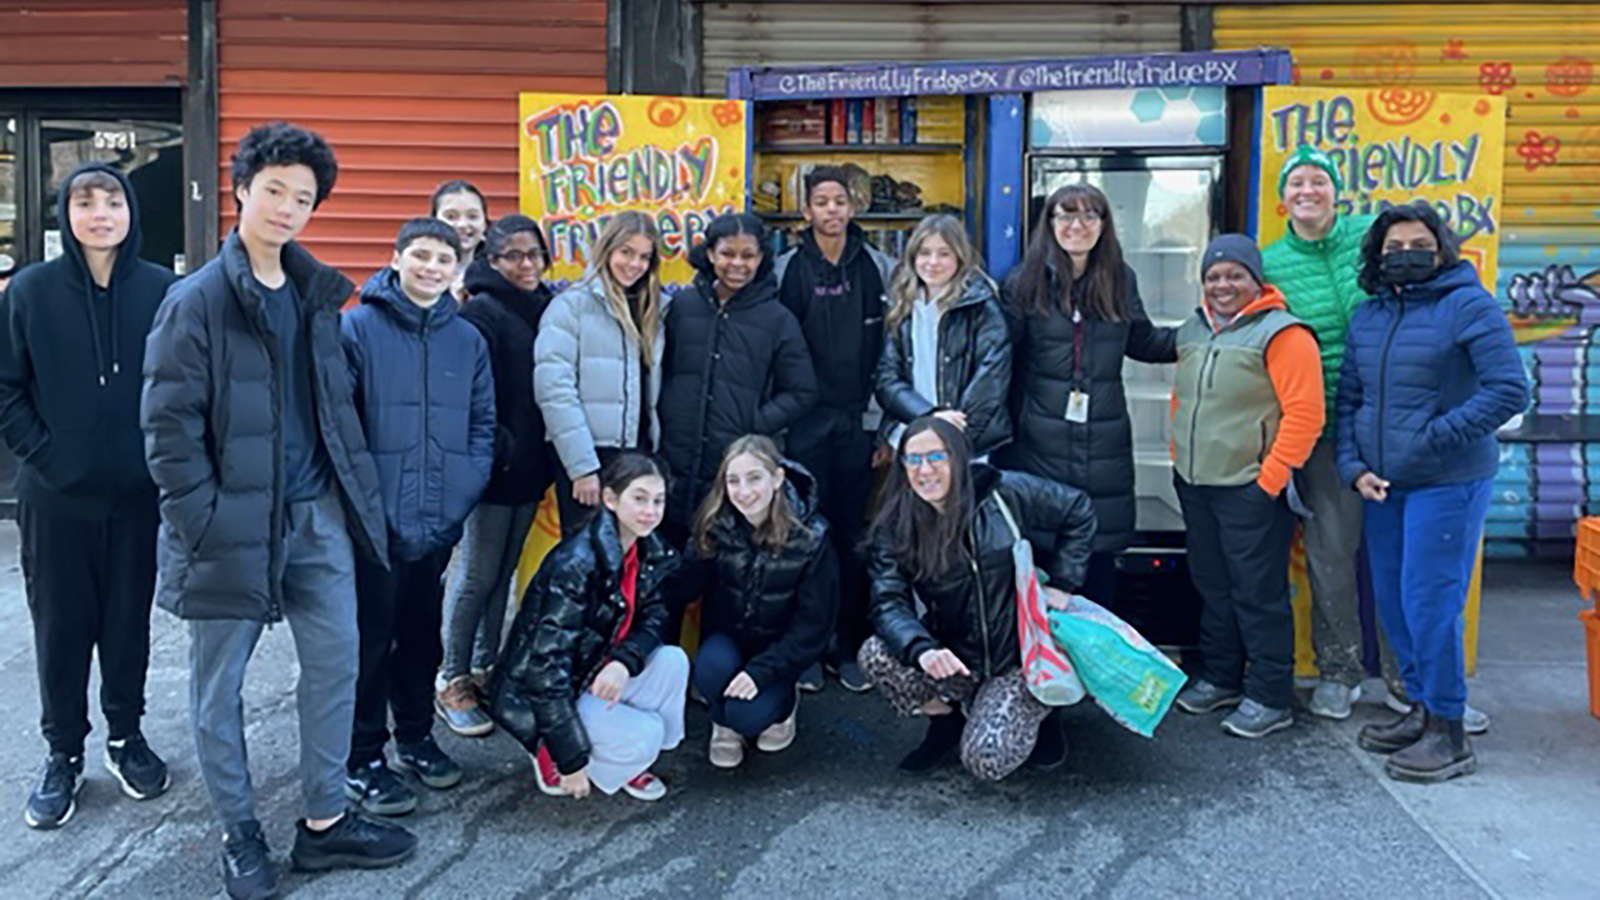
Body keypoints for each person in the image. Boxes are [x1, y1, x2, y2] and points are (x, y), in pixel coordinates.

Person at [141, 122, 414, 900]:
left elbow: (332, 408)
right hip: (230, 526)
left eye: (304, 197)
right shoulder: (192, 303)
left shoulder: (314, 292)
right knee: (216, 689)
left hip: (315, 516)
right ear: (240, 191)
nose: (288, 208)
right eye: (275, 191)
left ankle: (325, 822)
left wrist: (350, 500)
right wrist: (202, 523)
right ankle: (240, 831)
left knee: (335, 666)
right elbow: (167, 430)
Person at [0, 164, 176, 829]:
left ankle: (126, 737)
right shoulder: (30, 292)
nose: (100, 212)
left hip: (137, 499)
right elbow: (5, 386)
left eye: (112, 201)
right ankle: (62, 753)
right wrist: (46, 453)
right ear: (65, 216)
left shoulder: (164, 291)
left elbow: (186, 385)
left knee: (128, 626)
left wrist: (159, 460)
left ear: (130, 211)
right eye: (84, 201)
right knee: (63, 630)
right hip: (56, 501)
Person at [1337, 202, 1527, 783]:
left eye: (1417, 244)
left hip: (1448, 482)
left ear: (1441, 249)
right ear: (1377, 256)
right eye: (1393, 249)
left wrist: (1433, 439)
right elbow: (1349, 400)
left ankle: (1449, 731)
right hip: (1383, 487)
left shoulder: (1467, 305)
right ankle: (1419, 708)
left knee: (1430, 604)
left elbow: (1508, 390)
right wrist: (1353, 466)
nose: (1405, 255)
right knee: (1393, 603)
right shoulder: (1368, 316)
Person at [340, 218, 495, 816]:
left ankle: (415, 737)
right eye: (421, 255)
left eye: (443, 259)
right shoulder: (357, 328)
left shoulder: (467, 340)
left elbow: (482, 425)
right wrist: (364, 504)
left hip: (438, 519)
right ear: (397, 257)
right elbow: (341, 427)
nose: (432, 267)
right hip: (374, 525)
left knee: (421, 639)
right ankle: (362, 754)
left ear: (457, 267)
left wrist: (463, 488)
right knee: (370, 642)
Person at [859, 416, 1096, 780]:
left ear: (958, 457)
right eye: (913, 459)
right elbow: (889, 602)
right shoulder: (896, 524)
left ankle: (1044, 708)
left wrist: (1063, 584)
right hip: (955, 657)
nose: (925, 470)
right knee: (875, 655)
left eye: (936, 457)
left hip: (1017, 657)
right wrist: (923, 650)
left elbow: (1078, 509)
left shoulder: (1003, 493)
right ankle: (946, 722)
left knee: (986, 761)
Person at [1170, 235, 1324, 740]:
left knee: (1257, 594)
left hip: (1249, 488)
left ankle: (1269, 695)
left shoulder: (1284, 334)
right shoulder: (1195, 328)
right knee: (1212, 587)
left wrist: (1269, 481)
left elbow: (1305, 415)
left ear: (1256, 281)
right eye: (1213, 276)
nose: (1222, 285)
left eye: (1234, 275)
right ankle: (1220, 677)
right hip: (1196, 483)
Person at [999, 184, 1176, 609]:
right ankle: (1043, 672)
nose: (1077, 226)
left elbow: (1144, 341)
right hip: (1038, 442)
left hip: (1105, 444)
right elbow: (1001, 362)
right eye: (1066, 215)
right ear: (1050, 223)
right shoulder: (1023, 282)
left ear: (1103, 225)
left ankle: (1099, 670)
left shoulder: (1120, 278)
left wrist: (1203, 334)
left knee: (1098, 563)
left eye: (1089, 216)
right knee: (1041, 559)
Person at [1260, 146, 1382, 721]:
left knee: (1407, 558)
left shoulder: (1374, 239)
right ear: (1282, 201)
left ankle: (1418, 682)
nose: (1308, 191)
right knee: (1332, 555)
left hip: (1392, 423)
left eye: (1319, 181)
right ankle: (1340, 671)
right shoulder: (1271, 261)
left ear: (1337, 192)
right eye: (1296, 184)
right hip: (1325, 430)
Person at [486, 453, 687, 801]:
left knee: (673, 661)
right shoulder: (576, 566)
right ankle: (553, 749)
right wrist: (572, 759)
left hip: (593, 670)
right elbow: (546, 671)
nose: (651, 511)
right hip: (538, 697)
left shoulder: (649, 551)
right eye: (639, 498)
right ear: (610, 499)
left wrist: (625, 662)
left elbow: (657, 618)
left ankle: (629, 760)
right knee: (647, 732)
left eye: (658, 501)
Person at [774, 165, 895, 693]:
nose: (831, 210)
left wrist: (884, 426)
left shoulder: (879, 268)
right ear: (807, 211)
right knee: (801, 537)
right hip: (801, 426)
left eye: (839, 201)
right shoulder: (784, 269)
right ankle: (805, 650)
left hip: (856, 425)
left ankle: (847, 645)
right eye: (820, 201)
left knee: (851, 537)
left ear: (852, 208)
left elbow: (895, 352)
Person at [437, 214, 555, 737]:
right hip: (492, 470)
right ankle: (451, 677)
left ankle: (487, 667)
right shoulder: (480, 312)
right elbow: (466, 397)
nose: (526, 265)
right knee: (474, 577)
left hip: (531, 468)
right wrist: (498, 450)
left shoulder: (545, 306)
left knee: (503, 576)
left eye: (534, 254)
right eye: (514, 256)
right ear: (492, 260)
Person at [670, 436, 837, 768]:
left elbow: (814, 626)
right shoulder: (717, 525)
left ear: (777, 478)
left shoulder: (811, 538)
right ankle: (723, 724)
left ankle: (783, 708)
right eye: (733, 481)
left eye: (754, 478)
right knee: (711, 668)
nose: (743, 491)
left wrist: (761, 673)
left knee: (748, 716)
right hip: (727, 641)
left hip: (779, 651)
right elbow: (680, 586)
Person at [659, 212, 816, 539]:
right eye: (728, 253)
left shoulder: (777, 319)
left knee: (721, 556)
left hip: (732, 467)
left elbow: (802, 391)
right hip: (673, 458)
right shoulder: (681, 306)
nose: (738, 264)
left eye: (748, 255)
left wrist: (753, 423)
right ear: (711, 253)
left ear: (762, 258)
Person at [536, 211, 668, 538]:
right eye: (626, 252)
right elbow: (555, 392)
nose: (634, 264)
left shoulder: (653, 309)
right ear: (607, 249)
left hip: (636, 454)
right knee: (586, 558)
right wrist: (582, 468)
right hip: (591, 454)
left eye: (644, 256)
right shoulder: (570, 307)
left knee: (628, 557)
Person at [875, 213, 1011, 457]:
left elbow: (991, 380)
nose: (933, 262)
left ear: (960, 257)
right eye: (924, 252)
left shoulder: (982, 305)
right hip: (911, 437)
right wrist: (927, 416)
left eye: (944, 253)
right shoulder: (901, 304)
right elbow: (887, 378)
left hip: (964, 443)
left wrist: (952, 434)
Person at [431, 180, 488, 299]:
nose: (462, 224)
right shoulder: (418, 273)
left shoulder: (498, 273)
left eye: (472, 216)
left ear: (485, 223)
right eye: (451, 216)